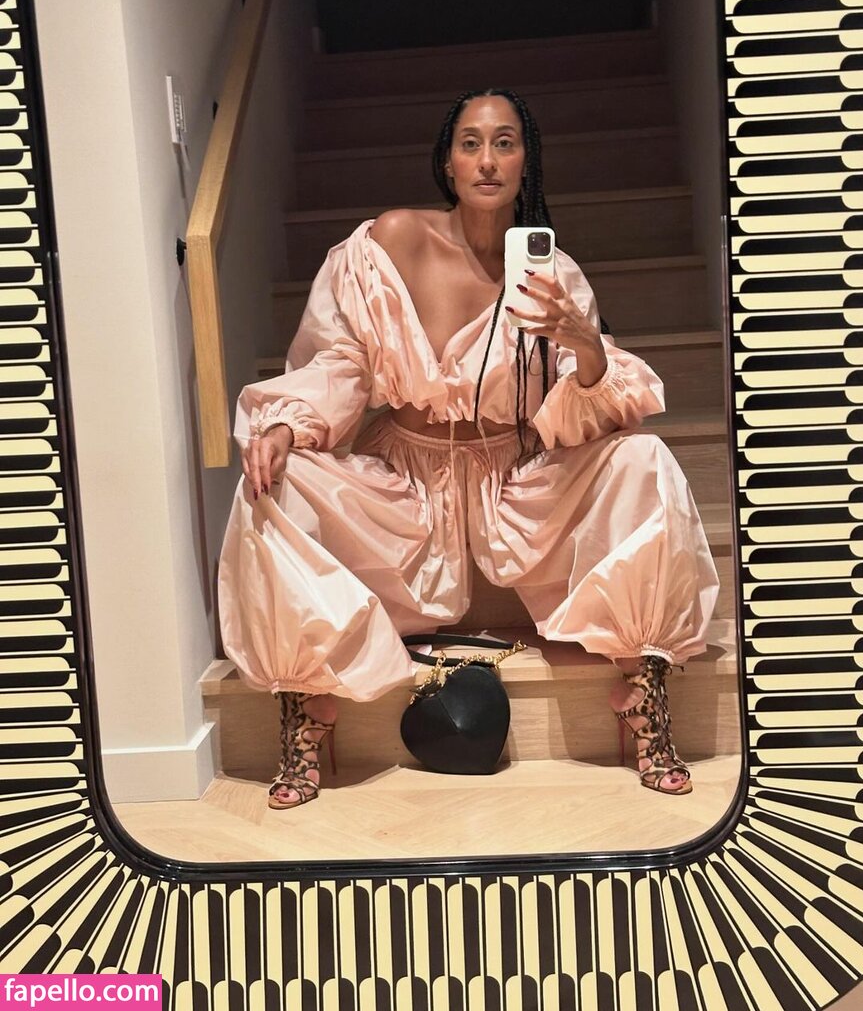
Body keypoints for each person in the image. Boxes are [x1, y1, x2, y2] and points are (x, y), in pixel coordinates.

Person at [218, 88, 720, 810]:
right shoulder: (390, 240)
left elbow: (586, 418)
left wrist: (585, 346)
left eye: (504, 143)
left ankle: (642, 693)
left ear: (525, 162)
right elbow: (342, 360)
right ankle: (308, 702)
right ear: (447, 162)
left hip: (516, 482)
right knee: (279, 478)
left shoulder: (551, 273)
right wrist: (286, 426)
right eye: (471, 143)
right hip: (404, 483)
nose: (487, 160)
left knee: (644, 460)